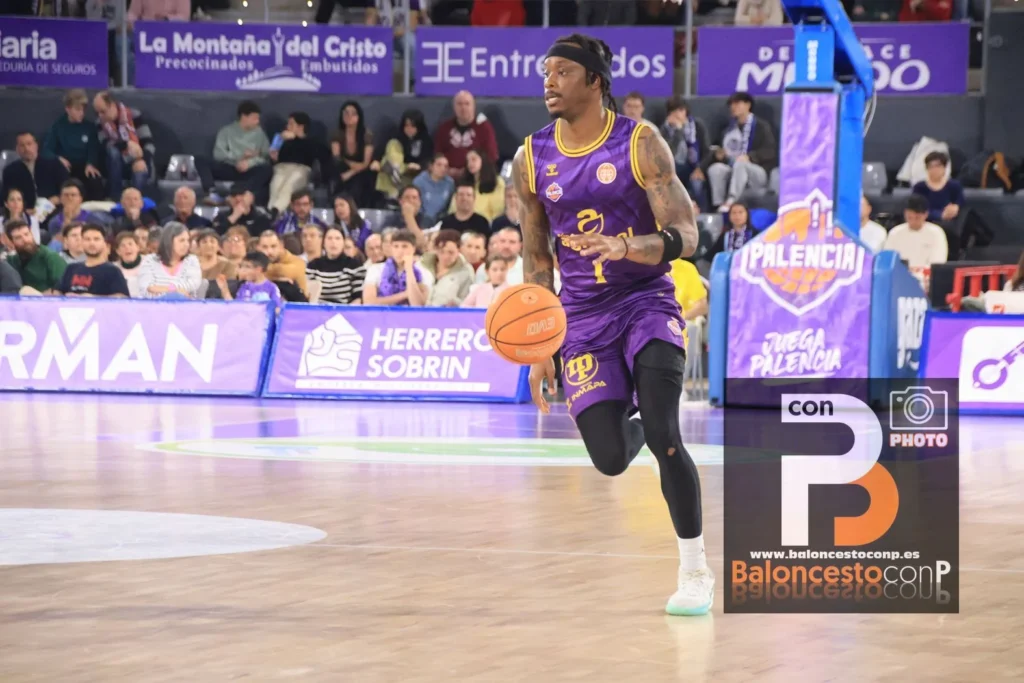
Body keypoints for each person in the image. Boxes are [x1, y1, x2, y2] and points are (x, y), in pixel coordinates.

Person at [514, 33, 709, 615]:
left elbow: (688, 235)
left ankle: (695, 571)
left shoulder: (640, 142)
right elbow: (536, 256)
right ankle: (634, 420)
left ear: (595, 81)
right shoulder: (531, 157)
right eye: (546, 71)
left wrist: (627, 246)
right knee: (609, 458)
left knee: (666, 434)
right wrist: (539, 343)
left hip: (645, 302)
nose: (549, 81)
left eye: (563, 72)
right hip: (581, 317)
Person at [43, 89, 105, 201]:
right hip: (66, 167)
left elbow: (93, 148)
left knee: (94, 178)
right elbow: (47, 150)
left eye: (83, 110)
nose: (81, 113)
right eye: (77, 110)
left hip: (84, 167)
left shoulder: (89, 127)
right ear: (68, 109)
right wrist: (58, 158)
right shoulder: (58, 126)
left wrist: (91, 163)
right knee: (61, 173)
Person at [212, 101, 273, 206]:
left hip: (250, 170)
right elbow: (218, 154)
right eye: (255, 118)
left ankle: (238, 193)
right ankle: (211, 192)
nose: (257, 122)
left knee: (267, 169)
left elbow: (266, 156)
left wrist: (249, 163)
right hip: (230, 167)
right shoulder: (226, 131)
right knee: (201, 161)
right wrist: (239, 157)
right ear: (244, 117)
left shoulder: (260, 133)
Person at [54, 224, 130, 297]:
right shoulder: (71, 268)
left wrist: (93, 298)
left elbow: (122, 297)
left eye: (96, 239)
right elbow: (57, 292)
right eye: (87, 239)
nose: (92, 243)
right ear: (82, 242)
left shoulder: (112, 271)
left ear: (104, 243)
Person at [376, 109, 433, 200]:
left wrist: (419, 166)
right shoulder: (396, 137)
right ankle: (396, 177)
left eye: (413, 126)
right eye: (406, 125)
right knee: (393, 146)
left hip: (412, 177)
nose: (409, 129)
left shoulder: (426, 141)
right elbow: (382, 154)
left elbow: (428, 160)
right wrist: (375, 161)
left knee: (387, 165)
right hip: (394, 172)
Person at [136, 222, 203, 298]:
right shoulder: (149, 260)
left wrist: (159, 289)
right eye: (182, 240)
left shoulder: (192, 260)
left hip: (183, 304)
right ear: (168, 241)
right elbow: (146, 290)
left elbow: (192, 285)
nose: (186, 244)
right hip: (154, 305)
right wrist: (175, 291)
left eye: (188, 240)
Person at [362, 229, 427, 306]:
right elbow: (369, 302)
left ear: (413, 249)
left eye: (404, 246)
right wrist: (405, 294)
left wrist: (409, 269)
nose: (400, 251)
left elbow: (418, 305)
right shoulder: (375, 269)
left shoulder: (423, 272)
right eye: (396, 246)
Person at [306, 225, 367, 304]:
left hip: (345, 309)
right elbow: (307, 294)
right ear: (323, 242)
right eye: (329, 238)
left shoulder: (355, 265)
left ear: (343, 242)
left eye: (337, 238)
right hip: (317, 309)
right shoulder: (313, 265)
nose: (333, 242)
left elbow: (358, 298)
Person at [331, 100, 375, 207]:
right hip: (343, 167)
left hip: (361, 171)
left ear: (359, 117)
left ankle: (353, 209)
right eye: (346, 113)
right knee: (336, 169)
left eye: (353, 113)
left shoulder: (366, 134)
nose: (349, 116)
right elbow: (337, 157)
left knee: (358, 181)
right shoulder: (337, 134)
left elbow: (365, 163)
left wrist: (350, 173)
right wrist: (349, 166)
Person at [5, 219, 67, 293]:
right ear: (11, 242)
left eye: (26, 234)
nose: (25, 240)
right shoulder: (12, 261)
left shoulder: (50, 257)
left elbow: (63, 286)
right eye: (18, 238)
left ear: (31, 234)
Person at [420, 229, 475, 306]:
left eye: (451, 252)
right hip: (420, 311)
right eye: (442, 251)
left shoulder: (466, 272)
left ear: (459, 250)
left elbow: (468, 301)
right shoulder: (422, 266)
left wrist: (455, 302)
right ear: (436, 250)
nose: (446, 256)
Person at [449, 148, 505, 223]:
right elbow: (453, 207)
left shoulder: (497, 182)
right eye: (468, 161)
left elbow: (498, 210)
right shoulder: (463, 181)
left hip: (485, 224)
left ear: (483, 160)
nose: (470, 163)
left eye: (473, 159)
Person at [218, 251, 284, 311]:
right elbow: (236, 308)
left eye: (247, 267)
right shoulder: (244, 286)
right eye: (242, 266)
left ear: (259, 270)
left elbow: (277, 309)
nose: (243, 270)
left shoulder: (272, 287)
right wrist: (224, 289)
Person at [413, 153, 455, 224]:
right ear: (431, 166)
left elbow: (449, 204)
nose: (443, 168)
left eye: (446, 166)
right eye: (439, 165)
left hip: (441, 219)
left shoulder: (450, 183)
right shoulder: (419, 181)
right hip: (422, 218)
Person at [113, 230, 144, 297]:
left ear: (138, 247)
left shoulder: (149, 264)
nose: (127, 247)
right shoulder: (113, 269)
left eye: (130, 244)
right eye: (123, 245)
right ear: (118, 251)